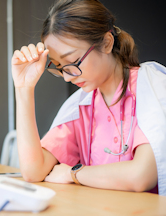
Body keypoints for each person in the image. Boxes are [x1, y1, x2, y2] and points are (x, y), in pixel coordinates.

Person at [11, 0, 166, 195]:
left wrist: (73, 173)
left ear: (107, 43)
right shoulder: (80, 105)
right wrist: (24, 88)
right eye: (59, 66)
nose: (67, 76)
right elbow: (33, 171)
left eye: (73, 62)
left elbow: (142, 176)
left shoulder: (152, 86)